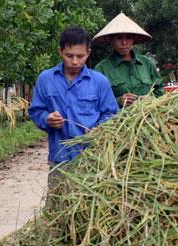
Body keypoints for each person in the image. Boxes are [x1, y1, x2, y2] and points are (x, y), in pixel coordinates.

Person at [28, 27, 118, 191]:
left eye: (80, 56)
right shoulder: (46, 79)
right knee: (58, 208)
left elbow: (111, 113)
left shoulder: (99, 82)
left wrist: (99, 129)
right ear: (60, 52)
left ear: (88, 53)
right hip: (59, 159)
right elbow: (35, 111)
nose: (75, 61)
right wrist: (47, 119)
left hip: (93, 159)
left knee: (90, 207)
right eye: (69, 56)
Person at [93, 12, 164, 107]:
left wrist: (149, 99)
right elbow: (95, 101)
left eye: (129, 37)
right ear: (111, 40)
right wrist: (118, 101)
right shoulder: (102, 69)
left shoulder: (146, 63)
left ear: (134, 40)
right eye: (119, 38)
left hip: (150, 116)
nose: (124, 42)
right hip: (119, 120)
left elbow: (159, 90)